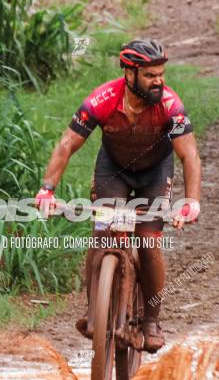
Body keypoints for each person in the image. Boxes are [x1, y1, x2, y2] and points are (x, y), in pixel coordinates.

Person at [35, 39, 202, 353]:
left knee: (148, 241)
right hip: (114, 170)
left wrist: (191, 201)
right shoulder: (103, 99)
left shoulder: (170, 104)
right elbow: (67, 143)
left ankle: (151, 319)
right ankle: (93, 308)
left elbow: (189, 155)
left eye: (161, 74)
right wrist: (47, 189)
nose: (159, 81)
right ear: (130, 73)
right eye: (151, 75)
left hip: (155, 173)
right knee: (101, 234)